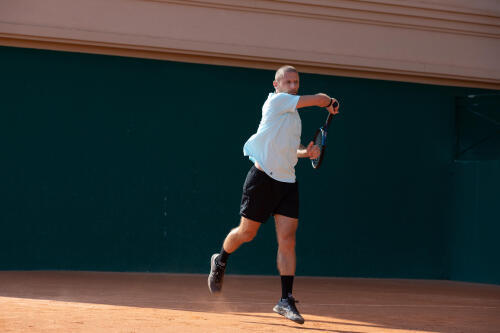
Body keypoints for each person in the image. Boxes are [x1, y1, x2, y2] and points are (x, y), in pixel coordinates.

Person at [208, 65, 339, 325]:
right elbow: (320, 99)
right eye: (288, 82)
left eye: (296, 82)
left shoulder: (293, 118)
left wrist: (306, 153)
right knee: (247, 233)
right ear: (276, 85)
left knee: (287, 239)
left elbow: (292, 150)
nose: (293, 85)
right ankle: (220, 260)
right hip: (262, 179)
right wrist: (329, 102)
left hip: (287, 183)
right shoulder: (277, 102)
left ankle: (285, 299)